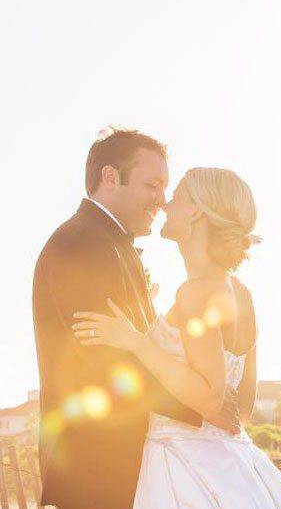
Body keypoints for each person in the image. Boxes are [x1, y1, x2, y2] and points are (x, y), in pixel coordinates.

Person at [73, 166, 281, 508]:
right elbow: (240, 410)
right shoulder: (240, 292)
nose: (166, 205)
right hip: (237, 464)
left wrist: (136, 342)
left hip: (184, 466)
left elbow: (212, 400)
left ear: (196, 211)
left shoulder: (196, 292)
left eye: (177, 196)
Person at [32, 128, 240, 509]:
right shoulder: (84, 245)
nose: (161, 201)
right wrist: (202, 405)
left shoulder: (107, 242)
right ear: (110, 178)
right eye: (152, 185)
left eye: (166, 189)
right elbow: (108, 366)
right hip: (98, 473)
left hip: (127, 470)